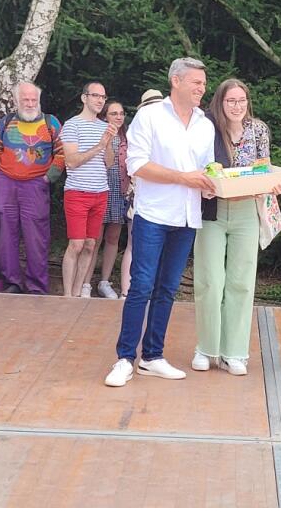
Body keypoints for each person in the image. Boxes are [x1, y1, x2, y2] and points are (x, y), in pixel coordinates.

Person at [104, 58, 215, 387]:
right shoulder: (150, 116)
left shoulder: (205, 124)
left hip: (188, 216)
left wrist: (211, 186)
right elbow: (137, 165)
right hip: (153, 214)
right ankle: (125, 358)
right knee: (141, 286)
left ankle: (152, 356)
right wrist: (184, 178)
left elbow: (207, 169)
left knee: (167, 288)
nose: (202, 88)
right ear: (176, 81)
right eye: (196, 82)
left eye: (204, 83)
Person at [192, 79, 281, 376]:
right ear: (220, 102)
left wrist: (272, 183)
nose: (237, 106)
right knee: (210, 280)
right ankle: (206, 348)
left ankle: (234, 352)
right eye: (231, 100)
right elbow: (197, 166)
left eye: (241, 100)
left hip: (247, 209)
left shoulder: (258, 129)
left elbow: (263, 167)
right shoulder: (206, 127)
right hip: (213, 209)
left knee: (241, 281)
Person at [0, 82, 64, 294]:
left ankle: (36, 286)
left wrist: (49, 177)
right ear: (16, 101)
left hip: (36, 185)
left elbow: (61, 152)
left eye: (33, 100)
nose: (30, 104)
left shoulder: (51, 123)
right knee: (6, 236)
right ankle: (12, 282)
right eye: (25, 100)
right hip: (6, 184)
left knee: (36, 237)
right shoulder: (5, 122)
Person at [60, 82, 117, 297]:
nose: (100, 100)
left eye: (103, 97)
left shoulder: (105, 127)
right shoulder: (72, 125)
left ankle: (77, 293)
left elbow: (109, 163)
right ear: (84, 98)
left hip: (100, 192)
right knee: (76, 244)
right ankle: (67, 295)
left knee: (91, 244)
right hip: (77, 192)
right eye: (95, 96)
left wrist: (108, 143)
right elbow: (72, 161)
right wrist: (99, 145)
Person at [118, 90, 165, 299]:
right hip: (140, 194)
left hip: (158, 196)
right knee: (133, 244)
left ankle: (137, 290)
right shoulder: (139, 131)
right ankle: (127, 290)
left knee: (140, 245)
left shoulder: (160, 130)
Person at [82, 100, 129, 299]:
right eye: (113, 113)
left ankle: (104, 281)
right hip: (100, 188)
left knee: (113, 238)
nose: (119, 117)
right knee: (94, 238)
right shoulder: (98, 133)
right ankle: (85, 282)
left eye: (121, 113)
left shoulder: (128, 136)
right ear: (104, 116)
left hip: (120, 190)